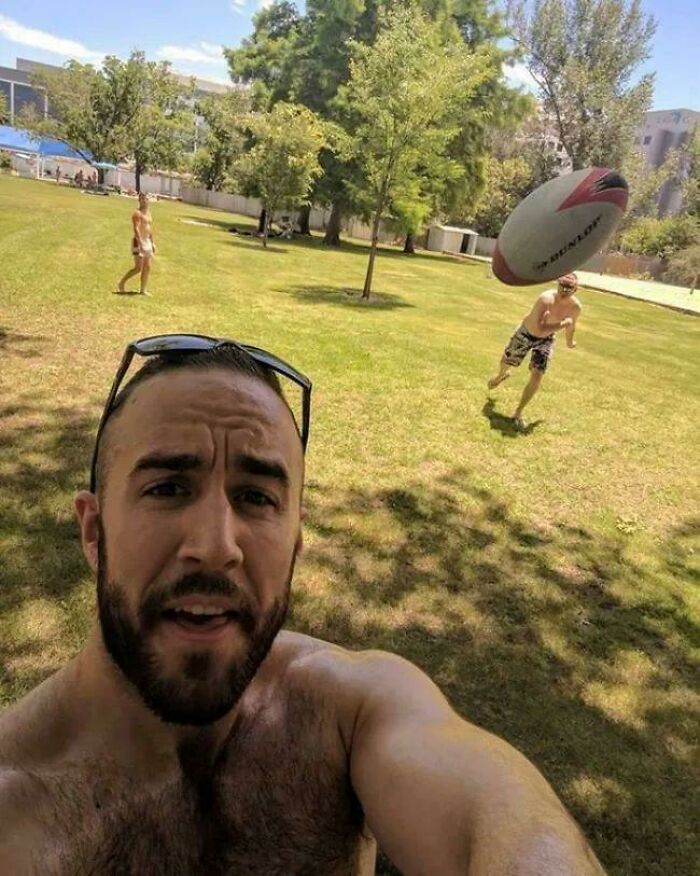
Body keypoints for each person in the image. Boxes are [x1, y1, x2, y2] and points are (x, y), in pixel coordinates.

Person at [0, 336, 606, 875]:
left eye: (257, 497)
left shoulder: (349, 714)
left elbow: (501, 817)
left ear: (295, 540)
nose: (216, 547)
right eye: (167, 488)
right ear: (94, 531)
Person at [488, 273, 582, 429]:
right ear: (557, 284)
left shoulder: (575, 307)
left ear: (576, 289)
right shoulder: (546, 298)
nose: (564, 290)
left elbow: (572, 325)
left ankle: (518, 412)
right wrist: (563, 323)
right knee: (507, 361)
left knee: (538, 374)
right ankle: (500, 376)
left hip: (546, 339)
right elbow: (540, 328)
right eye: (562, 285)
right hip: (526, 333)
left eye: (569, 288)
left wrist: (570, 342)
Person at [117, 192, 156, 296]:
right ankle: (121, 283)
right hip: (138, 242)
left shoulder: (148, 213)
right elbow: (136, 229)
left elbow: (149, 229)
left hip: (147, 241)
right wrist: (141, 243)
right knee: (138, 268)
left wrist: (152, 242)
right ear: (139, 200)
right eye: (142, 199)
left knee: (147, 267)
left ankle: (143, 290)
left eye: (146, 199)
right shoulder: (137, 213)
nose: (144, 201)